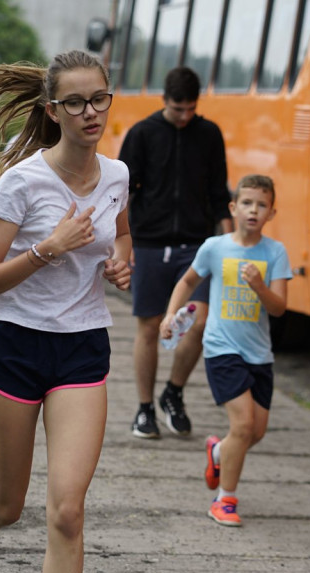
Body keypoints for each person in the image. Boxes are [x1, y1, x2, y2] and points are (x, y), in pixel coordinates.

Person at [0, 50, 131, 573]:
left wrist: (121, 263)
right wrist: (48, 249)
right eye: (76, 102)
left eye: (99, 99)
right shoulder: (21, 183)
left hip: (82, 349)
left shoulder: (117, 175)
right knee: (8, 504)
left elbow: (121, 234)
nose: (90, 112)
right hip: (17, 346)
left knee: (67, 510)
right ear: (53, 111)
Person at [160, 174, 291, 527]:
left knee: (255, 432)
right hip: (221, 349)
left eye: (261, 205)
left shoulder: (275, 252)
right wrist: (172, 313)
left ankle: (218, 451)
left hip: (259, 354)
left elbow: (279, 308)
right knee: (244, 425)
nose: (254, 210)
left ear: (271, 213)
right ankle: (225, 500)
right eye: (247, 203)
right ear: (233, 208)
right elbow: (188, 280)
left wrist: (260, 286)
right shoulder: (215, 247)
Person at [119, 66, 233, 440]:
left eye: (191, 109)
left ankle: (174, 392)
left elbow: (219, 194)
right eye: (177, 109)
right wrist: (123, 243)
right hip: (150, 244)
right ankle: (145, 408)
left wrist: (230, 246)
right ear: (164, 101)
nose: (185, 117)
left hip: (196, 245)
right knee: (150, 327)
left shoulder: (209, 134)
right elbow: (122, 195)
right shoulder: (142, 134)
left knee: (198, 323)